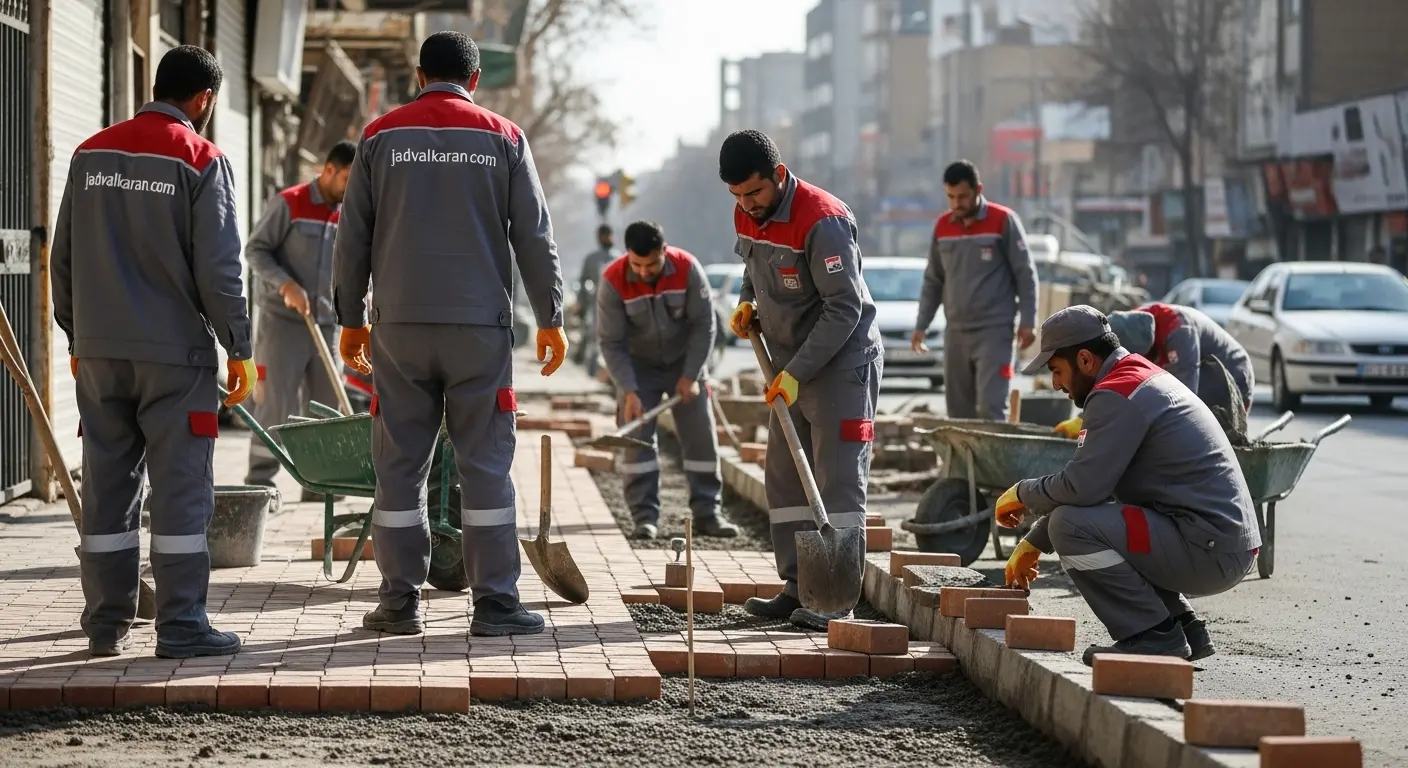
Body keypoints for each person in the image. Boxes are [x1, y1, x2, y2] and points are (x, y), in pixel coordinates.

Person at [332, 31, 566, 638]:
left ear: (417, 74)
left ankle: (398, 603)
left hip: (398, 330)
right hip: (478, 330)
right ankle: (494, 605)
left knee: (400, 468)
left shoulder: (380, 136)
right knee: (484, 465)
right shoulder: (505, 137)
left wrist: (350, 317)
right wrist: (551, 318)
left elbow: (351, 236)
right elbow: (534, 236)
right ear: (476, 79)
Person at [52, 45, 255, 659]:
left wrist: (76, 336)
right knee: (180, 491)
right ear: (204, 101)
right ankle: (182, 627)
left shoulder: (90, 154)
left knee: (108, 487)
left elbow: (61, 257)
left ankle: (106, 623)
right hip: (175, 360)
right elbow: (221, 271)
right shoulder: (200, 158)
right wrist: (239, 347)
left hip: (100, 353)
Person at [995, 305, 1260, 665]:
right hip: (1219, 541)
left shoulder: (1116, 393)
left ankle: (1150, 635)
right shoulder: (1138, 376)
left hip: (1209, 550)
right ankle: (1183, 626)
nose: (1055, 384)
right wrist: (1032, 542)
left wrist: (1022, 493)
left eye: (1057, 371)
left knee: (1068, 527)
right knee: (1089, 521)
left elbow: (1081, 488)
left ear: (1086, 359)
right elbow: (1098, 488)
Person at [718, 129, 883, 631]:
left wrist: (796, 374)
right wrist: (748, 301)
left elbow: (844, 308)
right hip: (788, 367)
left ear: (780, 176)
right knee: (786, 479)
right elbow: (753, 267)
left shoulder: (823, 220)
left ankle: (836, 598)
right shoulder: (747, 212)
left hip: (839, 365)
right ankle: (798, 586)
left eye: (755, 193)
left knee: (837, 480)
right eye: (738, 196)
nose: (748, 205)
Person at [596, 221, 741, 541]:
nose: (644, 272)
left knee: (701, 438)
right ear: (628, 256)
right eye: (637, 264)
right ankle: (644, 518)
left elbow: (704, 326)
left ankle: (707, 513)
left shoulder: (687, 269)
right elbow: (611, 343)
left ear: (665, 251)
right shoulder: (613, 280)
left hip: (684, 367)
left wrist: (690, 375)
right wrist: (629, 391)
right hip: (639, 371)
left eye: (652, 264)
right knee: (638, 442)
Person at [244, 141, 357, 498]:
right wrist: (286, 285)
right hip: (283, 324)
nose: (351, 189)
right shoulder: (290, 203)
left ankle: (321, 484)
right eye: (347, 180)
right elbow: (255, 250)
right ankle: (260, 481)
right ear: (328, 170)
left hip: (327, 323)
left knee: (327, 404)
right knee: (276, 401)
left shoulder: (348, 213)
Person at [913, 161, 1038, 421]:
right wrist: (921, 325)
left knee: (991, 408)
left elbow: (1025, 274)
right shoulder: (942, 227)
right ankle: (962, 464)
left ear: (978, 189)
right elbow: (933, 280)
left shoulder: (1003, 221)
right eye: (951, 197)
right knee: (958, 412)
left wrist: (1028, 321)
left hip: (995, 331)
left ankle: (991, 463)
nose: (956, 203)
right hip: (956, 332)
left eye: (963, 196)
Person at [1052, 303, 1255, 443]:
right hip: (1195, 369)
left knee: (1193, 429)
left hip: (1230, 377)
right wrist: (1086, 418)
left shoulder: (1179, 330)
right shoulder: (1129, 324)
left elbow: (1183, 399)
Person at [575, 224, 615, 376]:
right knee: (594, 338)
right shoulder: (592, 259)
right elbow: (583, 282)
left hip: (615, 306)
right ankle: (591, 373)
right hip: (596, 304)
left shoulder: (617, 257)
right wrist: (581, 303)